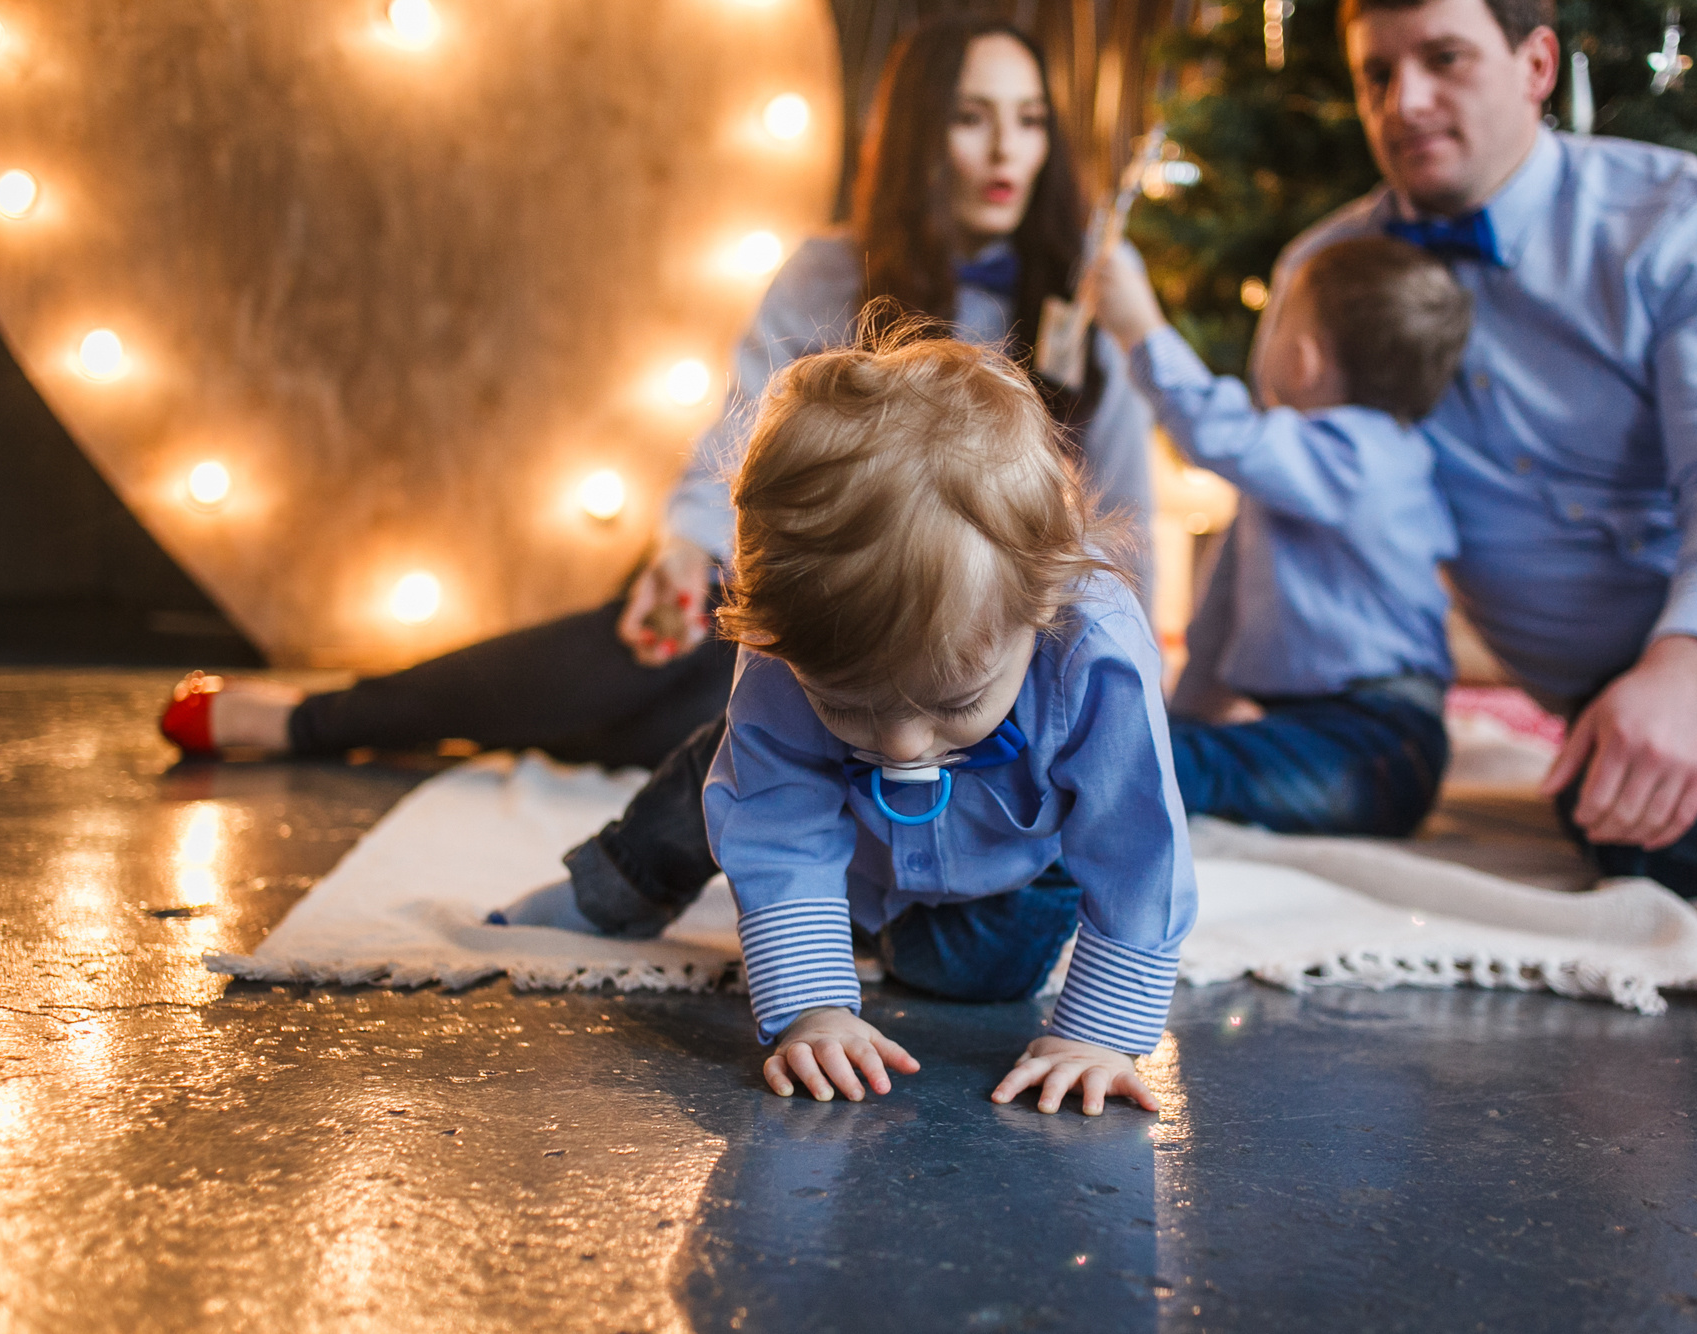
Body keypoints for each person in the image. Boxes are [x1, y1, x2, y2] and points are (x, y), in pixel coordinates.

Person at [158, 17, 1154, 771]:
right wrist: (683, 551)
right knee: (659, 646)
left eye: (1027, 121)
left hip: (979, 655)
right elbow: (742, 431)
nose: (1004, 151)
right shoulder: (826, 271)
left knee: (660, 710)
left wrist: (1131, 676)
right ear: (915, 133)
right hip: (821, 605)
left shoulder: (1089, 294)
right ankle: (313, 721)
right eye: (971, 118)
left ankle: (328, 723)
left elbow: (1117, 512)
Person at [1241, 0, 1697, 906]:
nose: (1405, 102)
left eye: (1445, 58)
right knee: (1633, 821)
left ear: (1537, 65)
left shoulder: (1675, 215)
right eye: (1376, 72)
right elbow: (1286, 492)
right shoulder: (1320, 278)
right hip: (1616, 702)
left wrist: (1692, 661)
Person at [510, 336, 1197, 1114]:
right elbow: (774, 819)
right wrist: (814, 1009)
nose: (901, 746)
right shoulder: (791, 644)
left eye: (956, 701)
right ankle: (614, 887)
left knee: (972, 975)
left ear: (1038, 607)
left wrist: (1099, 1036)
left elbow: (1139, 851)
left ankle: (847, 922)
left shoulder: (1094, 653)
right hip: (837, 819)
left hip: (1012, 863)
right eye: (848, 704)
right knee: (726, 782)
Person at [1094, 234, 1474, 836]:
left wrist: (1142, 329)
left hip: (1379, 745)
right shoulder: (1302, 474)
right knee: (1170, 754)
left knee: (1184, 770)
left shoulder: (1358, 459)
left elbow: (1220, 432)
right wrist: (1182, 717)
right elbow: (1219, 616)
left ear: (1302, 359)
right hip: (1321, 731)